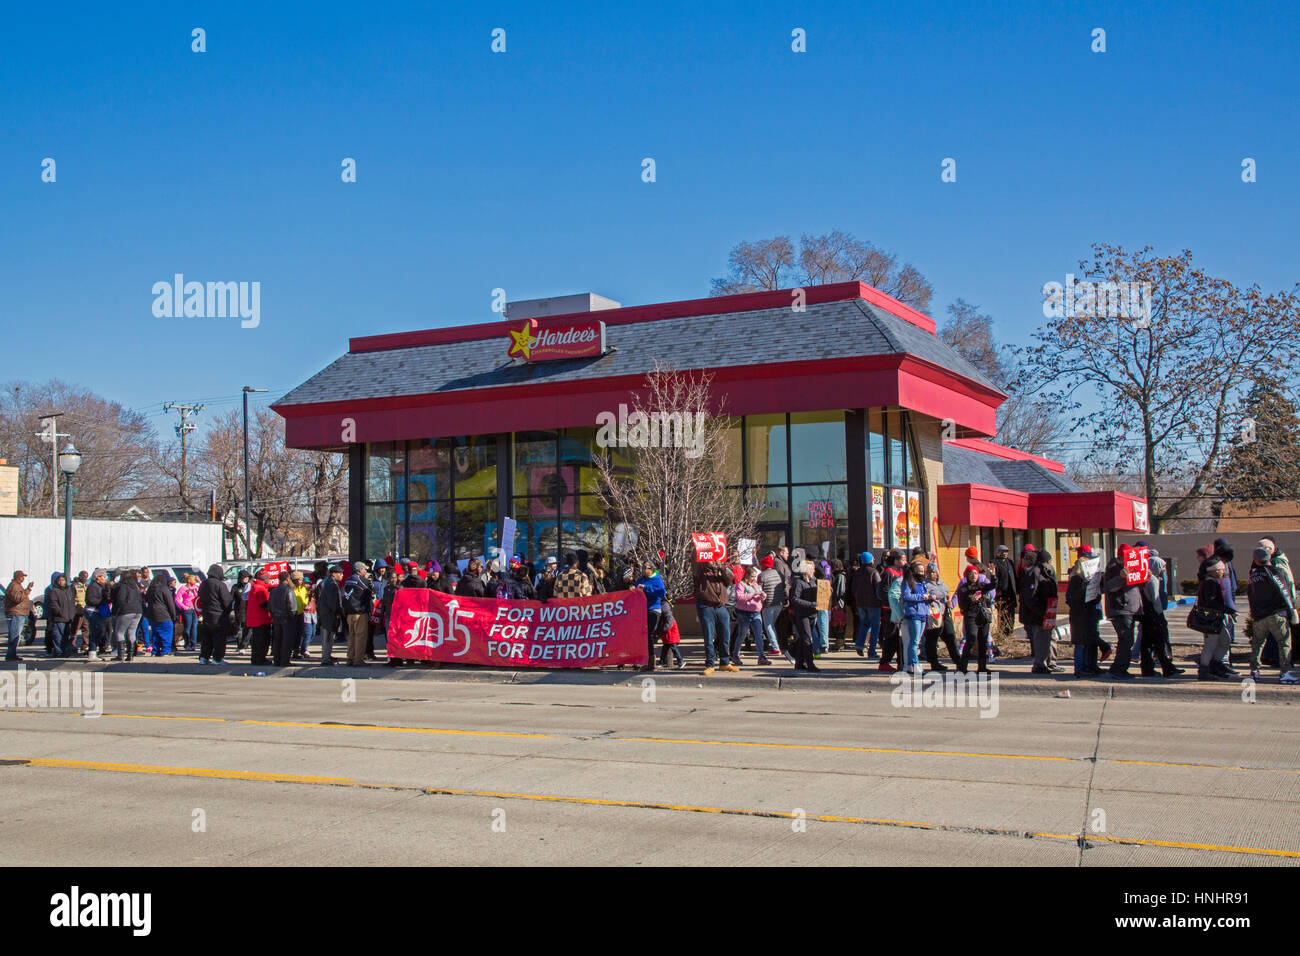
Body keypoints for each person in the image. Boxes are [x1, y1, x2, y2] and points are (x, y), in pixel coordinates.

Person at [1247, 546, 1295, 682]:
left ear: (1256, 560)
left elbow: (1250, 596)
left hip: (1258, 616)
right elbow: (1284, 591)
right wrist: (1291, 610)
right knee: (1284, 643)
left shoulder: (1253, 576)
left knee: (1257, 643)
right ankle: (1285, 673)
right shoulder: (1276, 571)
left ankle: (1254, 670)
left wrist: (1254, 613)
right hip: (1276, 614)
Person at [1139, 548, 1183, 678]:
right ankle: (1167, 668)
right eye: (1162, 567)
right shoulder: (1152, 580)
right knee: (1160, 641)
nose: (1164, 569)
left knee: (1146, 643)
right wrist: (1160, 614)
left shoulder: (1145, 579)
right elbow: (1155, 599)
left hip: (1146, 615)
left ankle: (1147, 668)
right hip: (1154, 615)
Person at [1020, 549, 1061, 674]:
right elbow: (1030, 597)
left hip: (1047, 612)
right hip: (1038, 614)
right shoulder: (1035, 573)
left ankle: (1050, 663)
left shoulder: (1045, 572)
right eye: (1050, 561)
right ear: (1047, 561)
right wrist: (1041, 611)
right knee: (1041, 639)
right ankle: (1039, 665)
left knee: (1050, 637)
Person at [1066, 546, 1104, 678]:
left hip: (1087, 615)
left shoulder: (1088, 579)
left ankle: (1088, 666)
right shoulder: (1076, 579)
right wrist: (1085, 586)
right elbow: (1074, 598)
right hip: (1079, 616)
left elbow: (1094, 597)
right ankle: (1080, 668)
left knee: (1087, 643)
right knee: (1080, 644)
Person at [693, 556, 733, 674]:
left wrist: (721, 567)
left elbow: (730, 579)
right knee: (709, 637)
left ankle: (725, 662)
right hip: (706, 606)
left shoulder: (720, 572)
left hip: (721, 607)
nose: (713, 560)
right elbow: (694, 561)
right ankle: (710, 663)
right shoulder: (700, 571)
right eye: (711, 558)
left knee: (725, 635)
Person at [1196, 559, 1234, 681]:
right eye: (1222, 569)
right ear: (1216, 570)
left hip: (1215, 618)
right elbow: (1211, 601)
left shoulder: (1210, 581)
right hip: (1211, 619)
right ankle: (1204, 670)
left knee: (1225, 641)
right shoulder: (1210, 583)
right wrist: (1226, 608)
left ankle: (1214, 665)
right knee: (1210, 645)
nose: (1223, 571)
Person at [955, 564, 995, 673]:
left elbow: (993, 585)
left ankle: (982, 667)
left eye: (976, 573)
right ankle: (962, 667)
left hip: (982, 617)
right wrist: (971, 600)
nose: (974, 576)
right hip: (971, 617)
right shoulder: (963, 589)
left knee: (983, 641)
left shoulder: (981, 586)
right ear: (967, 575)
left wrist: (993, 575)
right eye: (971, 573)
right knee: (971, 640)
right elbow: (962, 606)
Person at [923, 563, 959, 670]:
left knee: (951, 636)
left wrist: (949, 602)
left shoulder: (942, 584)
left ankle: (958, 660)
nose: (931, 574)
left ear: (937, 573)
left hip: (945, 613)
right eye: (929, 572)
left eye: (933, 572)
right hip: (933, 614)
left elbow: (947, 595)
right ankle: (934, 663)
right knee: (932, 639)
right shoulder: (925, 585)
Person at [196, 563, 233, 665]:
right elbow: (227, 601)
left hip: (206, 615)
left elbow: (199, 598)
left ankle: (204, 657)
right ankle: (217, 658)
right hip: (219, 616)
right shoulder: (220, 585)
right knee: (219, 639)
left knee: (206, 638)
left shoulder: (203, 584)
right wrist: (228, 610)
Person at [757, 554, 791, 663]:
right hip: (780, 602)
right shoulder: (779, 574)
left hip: (769, 603)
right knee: (772, 624)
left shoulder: (762, 575)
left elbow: (758, 589)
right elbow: (784, 586)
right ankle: (776, 645)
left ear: (764, 566)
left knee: (768, 625)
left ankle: (776, 647)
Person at [788, 558, 820, 671]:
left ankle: (799, 663)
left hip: (812, 614)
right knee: (807, 639)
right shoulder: (798, 582)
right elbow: (794, 599)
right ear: (806, 570)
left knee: (803, 639)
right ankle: (810, 664)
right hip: (801, 614)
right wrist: (811, 604)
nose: (813, 571)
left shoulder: (814, 581)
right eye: (811, 569)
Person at [899, 559, 930, 674]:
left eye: (923, 571)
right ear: (913, 571)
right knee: (914, 641)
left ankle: (912, 665)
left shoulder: (922, 583)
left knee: (918, 640)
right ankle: (914, 664)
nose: (921, 574)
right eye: (919, 571)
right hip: (913, 614)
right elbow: (906, 596)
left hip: (923, 613)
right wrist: (922, 597)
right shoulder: (907, 581)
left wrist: (930, 597)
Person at [635, 559, 666, 671]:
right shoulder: (641, 580)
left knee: (648, 635)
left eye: (645, 568)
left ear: (651, 569)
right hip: (642, 610)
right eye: (642, 567)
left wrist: (646, 588)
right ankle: (646, 661)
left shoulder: (656, 579)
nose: (643, 569)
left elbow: (662, 592)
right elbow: (637, 587)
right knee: (643, 636)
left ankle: (651, 662)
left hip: (653, 610)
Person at [735, 565, 770, 664]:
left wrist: (763, 596)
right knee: (742, 634)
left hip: (756, 613)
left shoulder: (756, 585)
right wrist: (752, 594)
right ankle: (735, 654)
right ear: (747, 576)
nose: (754, 578)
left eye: (755, 576)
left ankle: (761, 656)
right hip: (744, 613)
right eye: (752, 576)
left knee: (759, 635)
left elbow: (760, 593)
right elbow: (740, 597)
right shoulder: (741, 585)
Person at [342, 561, 375, 666]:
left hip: (349, 613)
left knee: (351, 637)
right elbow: (370, 593)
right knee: (360, 637)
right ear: (359, 570)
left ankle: (350, 658)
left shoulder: (347, 581)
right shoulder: (362, 581)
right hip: (360, 613)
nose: (365, 571)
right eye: (364, 569)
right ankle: (358, 660)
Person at [877, 549, 905, 672]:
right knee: (892, 635)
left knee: (900, 636)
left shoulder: (900, 572)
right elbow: (884, 592)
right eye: (902, 559)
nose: (905, 561)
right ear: (895, 560)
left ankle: (901, 661)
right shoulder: (889, 572)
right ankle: (885, 662)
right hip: (890, 609)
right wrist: (891, 605)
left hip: (898, 608)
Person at [851, 552, 881, 658]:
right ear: (870, 560)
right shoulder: (874, 572)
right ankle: (872, 651)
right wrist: (881, 600)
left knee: (864, 624)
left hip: (860, 603)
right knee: (875, 626)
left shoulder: (857, 572)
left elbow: (853, 588)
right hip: (873, 604)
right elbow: (878, 589)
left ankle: (859, 644)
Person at [110, 569, 144, 662]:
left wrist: (116, 612)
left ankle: (120, 655)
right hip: (138, 611)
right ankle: (130, 655)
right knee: (131, 632)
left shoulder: (123, 586)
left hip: (126, 610)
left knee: (119, 632)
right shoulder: (136, 587)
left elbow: (120, 600)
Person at [316, 564, 346, 666]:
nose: (342, 575)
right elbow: (333, 602)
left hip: (327, 614)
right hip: (328, 615)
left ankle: (328, 655)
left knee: (329, 636)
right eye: (340, 573)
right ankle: (325, 658)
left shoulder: (328, 583)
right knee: (328, 637)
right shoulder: (331, 584)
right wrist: (339, 612)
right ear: (334, 574)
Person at [144, 571, 179, 656]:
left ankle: (155, 651)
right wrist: (173, 615)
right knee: (167, 633)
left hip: (153, 615)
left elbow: (146, 600)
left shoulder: (150, 589)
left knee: (155, 634)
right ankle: (166, 650)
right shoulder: (164, 589)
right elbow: (170, 603)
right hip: (164, 614)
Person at [269, 571, 299, 666]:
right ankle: (285, 661)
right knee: (287, 640)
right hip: (287, 618)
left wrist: (273, 614)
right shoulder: (288, 590)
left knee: (277, 639)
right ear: (287, 579)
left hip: (276, 618)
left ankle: (277, 660)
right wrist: (293, 617)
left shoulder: (274, 590)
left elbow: (270, 605)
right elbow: (292, 606)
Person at [44, 573, 76, 657]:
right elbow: (53, 604)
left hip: (68, 617)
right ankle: (58, 651)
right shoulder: (53, 591)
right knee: (58, 636)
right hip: (59, 618)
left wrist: (72, 614)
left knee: (66, 636)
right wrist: (59, 612)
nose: (62, 582)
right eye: (60, 580)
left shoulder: (68, 590)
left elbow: (72, 603)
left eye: (63, 580)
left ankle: (65, 651)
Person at [992, 545, 1018, 646]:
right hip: (1001, 595)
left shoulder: (1010, 562)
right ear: (997, 552)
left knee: (1011, 615)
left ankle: (1009, 634)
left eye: (1006, 551)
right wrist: (996, 592)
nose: (1004, 553)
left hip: (1011, 594)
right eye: (1002, 551)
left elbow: (1014, 576)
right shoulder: (994, 562)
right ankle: (1002, 635)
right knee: (1002, 615)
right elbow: (994, 578)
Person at [245, 568, 273, 665]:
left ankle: (256, 658)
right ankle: (260, 659)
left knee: (256, 641)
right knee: (262, 641)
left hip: (255, 619)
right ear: (265, 578)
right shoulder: (260, 589)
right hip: (261, 619)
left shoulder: (255, 587)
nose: (269, 580)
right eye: (268, 578)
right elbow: (263, 604)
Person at [5, 570, 34, 661]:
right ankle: (11, 655)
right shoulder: (14, 586)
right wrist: (27, 590)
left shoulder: (17, 585)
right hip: (16, 614)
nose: (23, 578)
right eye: (22, 576)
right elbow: (18, 598)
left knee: (16, 635)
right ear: (18, 577)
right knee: (14, 635)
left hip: (19, 613)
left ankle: (13, 653)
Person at [84, 569, 110, 660]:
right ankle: (92, 652)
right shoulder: (93, 587)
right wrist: (102, 601)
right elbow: (90, 600)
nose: (105, 579)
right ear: (97, 577)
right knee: (97, 629)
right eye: (103, 577)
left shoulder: (102, 586)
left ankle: (93, 651)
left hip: (99, 611)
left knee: (101, 630)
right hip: (92, 611)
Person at [175, 573, 200, 652]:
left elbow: (204, 588)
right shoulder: (183, 588)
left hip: (195, 609)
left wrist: (199, 581)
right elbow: (177, 599)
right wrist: (184, 607)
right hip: (187, 609)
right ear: (189, 580)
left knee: (194, 627)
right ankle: (187, 643)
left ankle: (193, 644)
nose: (195, 581)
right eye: (194, 579)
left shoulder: (196, 587)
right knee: (187, 628)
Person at [656, 602, 684, 669]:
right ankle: (662, 662)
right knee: (664, 650)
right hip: (668, 638)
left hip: (671, 638)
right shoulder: (665, 618)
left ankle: (681, 661)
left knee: (674, 649)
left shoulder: (669, 618)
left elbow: (666, 627)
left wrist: (660, 632)